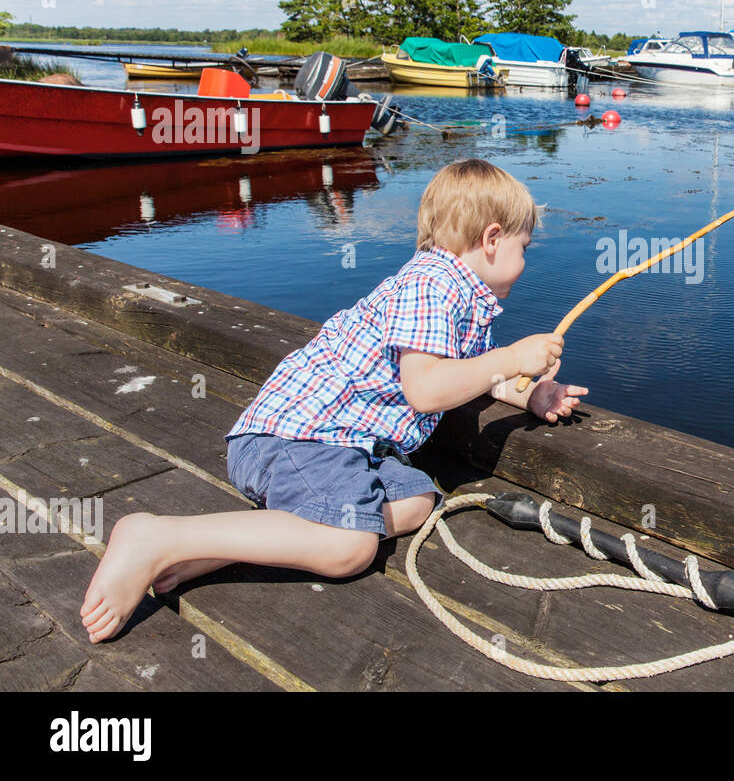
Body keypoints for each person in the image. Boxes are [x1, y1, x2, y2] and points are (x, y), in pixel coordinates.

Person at [81, 159, 587, 643]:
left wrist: (533, 391)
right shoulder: (432, 287)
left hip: (343, 447)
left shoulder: (461, 295)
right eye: (525, 246)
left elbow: (480, 376)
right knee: (350, 547)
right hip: (298, 439)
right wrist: (511, 356)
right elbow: (428, 389)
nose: (527, 260)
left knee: (416, 502)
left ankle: (207, 551)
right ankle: (156, 538)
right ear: (492, 239)